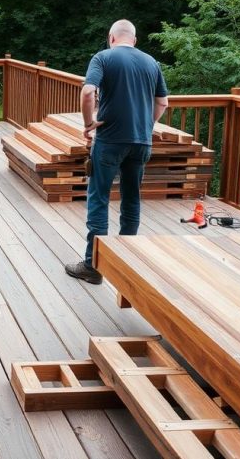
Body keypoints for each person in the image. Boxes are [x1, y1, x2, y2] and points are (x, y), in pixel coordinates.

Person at [65, 19, 169, 284]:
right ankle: (126, 264)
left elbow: (88, 92)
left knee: (99, 198)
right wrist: (147, 125)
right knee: (131, 199)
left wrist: (88, 124)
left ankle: (93, 267)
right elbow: (163, 102)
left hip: (110, 140)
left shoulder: (103, 58)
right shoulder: (151, 62)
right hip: (141, 142)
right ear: (134, 39)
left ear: (111, 38)